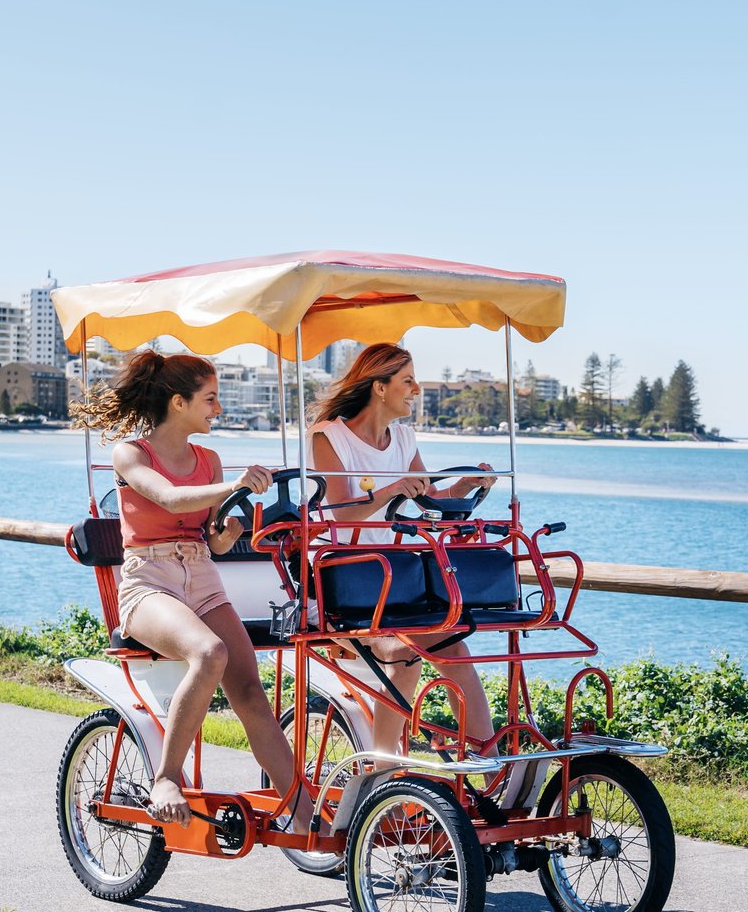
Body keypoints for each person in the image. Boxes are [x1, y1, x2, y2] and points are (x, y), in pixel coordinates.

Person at [72, 350, 307, 829]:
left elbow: (209, 535)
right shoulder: (132, 454)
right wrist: (232, 486)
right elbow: (169, 497)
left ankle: (309, 820)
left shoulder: (210, 460)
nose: (217, 409)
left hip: (201, 577)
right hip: (147, 584)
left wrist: (227, 532)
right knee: (209, 652)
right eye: (210, 399)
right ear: (178, 403)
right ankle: (166, 778)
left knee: (250, 692)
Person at [309, 342, 496, 756]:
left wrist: (463, 487)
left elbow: (429, 498)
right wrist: (391, 490)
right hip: (345, 578)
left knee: (453, 645)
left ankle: (487, 758)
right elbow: (341, 515)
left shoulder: (404, 437)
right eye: (407, 381)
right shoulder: (329, 437)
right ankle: (383, 764)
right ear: (379, 387)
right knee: (403, 650)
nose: (415, 389)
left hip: (394, 577)